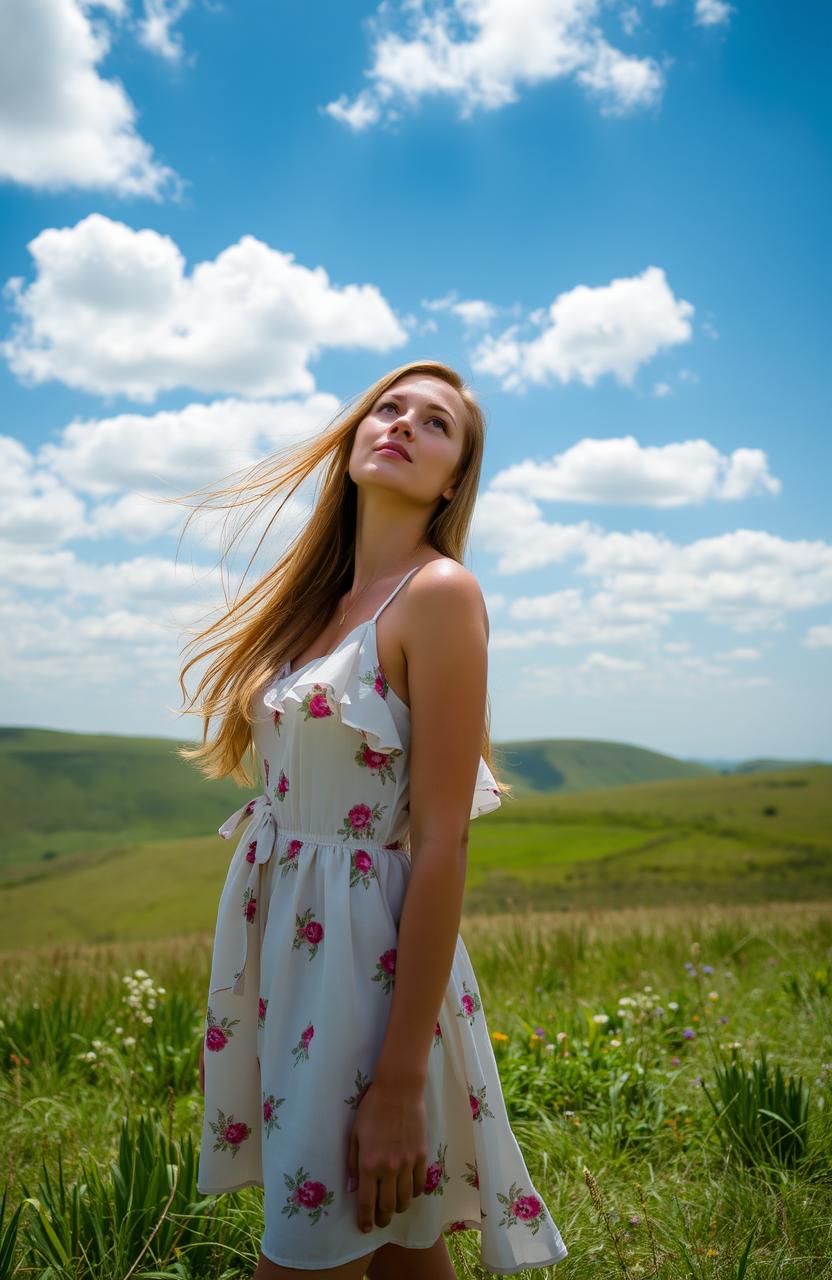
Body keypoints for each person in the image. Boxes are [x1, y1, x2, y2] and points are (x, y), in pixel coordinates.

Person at [174, 360, 568, 1278]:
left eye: (435, 424)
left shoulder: (438, 596)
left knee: (309, 1253)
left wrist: (396, 1083)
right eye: (388, 407)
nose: (401, 424)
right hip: (290, 959)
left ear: (452, 478)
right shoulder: (319, 602)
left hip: (366, 971)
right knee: (397, 1254)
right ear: (353, 439)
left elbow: (441, 840)